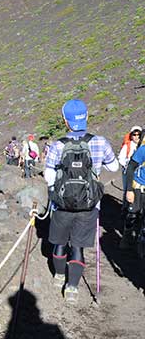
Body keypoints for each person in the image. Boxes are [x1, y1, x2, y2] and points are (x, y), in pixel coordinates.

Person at [45, 99, 118, 302]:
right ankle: (72, 289)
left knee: (59, 244)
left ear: (65, 121)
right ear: (86, 117)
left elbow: (49, 177)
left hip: (62, 206)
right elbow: (113, 168)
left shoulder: (58, 145)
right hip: (89, 205)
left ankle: (59, 276)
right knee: (77, 246)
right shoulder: (100, 142)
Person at [119, 126, 142, 216]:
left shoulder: (142, 145)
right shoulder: (128, 145)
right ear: (131, 135)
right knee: (127, 189)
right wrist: (127, 165)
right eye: (134, 134)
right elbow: (121, 158)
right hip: (128, 172)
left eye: (138, 135)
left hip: (140, 173)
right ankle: (125, 208)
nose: (136, 137)